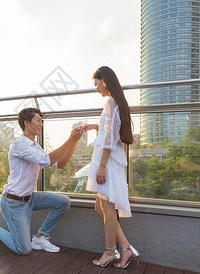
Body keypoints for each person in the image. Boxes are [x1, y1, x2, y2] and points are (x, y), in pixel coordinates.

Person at [0, 107, 83, 255]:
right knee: (23, 249)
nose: (41, 124)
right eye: (38, 120)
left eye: (42, 121)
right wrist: (69, 139)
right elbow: (47, 160)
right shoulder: (18, 144)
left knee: (63, 202)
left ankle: (40, 237)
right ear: (26, 123)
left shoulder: (35, 146)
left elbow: (60, 164)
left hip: (29, 199)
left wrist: (74, 142)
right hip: (13, 202)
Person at [74, 66, 140, 269]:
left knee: (108, 209)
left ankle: (110, 252)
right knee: (99, 207)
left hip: (107, 162)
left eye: (96, 83)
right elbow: (110, 129)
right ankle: (126, 247)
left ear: (105, 80)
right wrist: (94, 126)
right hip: (109, 160)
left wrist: (102, 166)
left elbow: (110, 138)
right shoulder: (115, 102)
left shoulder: (111, 102)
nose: (96, 88)